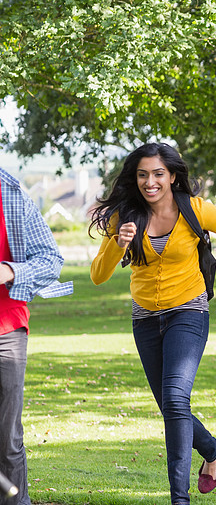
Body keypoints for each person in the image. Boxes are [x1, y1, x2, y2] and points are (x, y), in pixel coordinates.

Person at [90, 143, 216, 505]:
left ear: (172, 176)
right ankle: (211, 449)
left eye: (158, 173)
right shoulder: (123, 217)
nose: (150, 182)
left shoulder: (195, 210)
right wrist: (117, 243)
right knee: (170, 407)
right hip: (144, 319)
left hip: (188, 310)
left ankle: (179, 499)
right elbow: (97, 276)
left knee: (174, 398)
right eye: (142, 174)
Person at [0, 167, 73, 505]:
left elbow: (50, 259)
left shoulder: (12, 196)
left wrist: (12, 270)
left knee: (7, 437)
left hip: (7, 329)